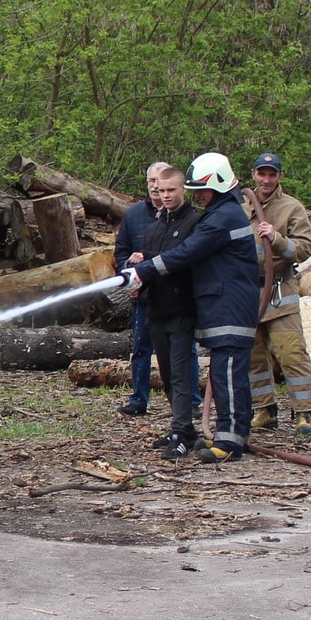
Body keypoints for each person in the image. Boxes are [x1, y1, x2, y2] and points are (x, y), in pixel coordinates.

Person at [120, 152, 262, 463]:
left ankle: (229, 442)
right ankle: (232, 434)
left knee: (227, 373)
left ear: (219, 184)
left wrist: (143, 271)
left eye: (201, 189)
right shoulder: (221, 212)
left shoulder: (222, 217)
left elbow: (187, 252)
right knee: (225, 373)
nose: (197, 195)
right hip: (222, 305)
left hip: (229, 306)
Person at [128, 164, 202, 458]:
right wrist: (137, 285)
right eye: (161, 190)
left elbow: (182, 262)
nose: (166, 195)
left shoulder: (195, 224)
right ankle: (182, 428)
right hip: (155, 311)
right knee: (169, 375)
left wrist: (147, 266)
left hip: (182, 310)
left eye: (172, 190)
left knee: (182, 374)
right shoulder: (153, 229)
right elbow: (149, 269)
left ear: (183, 190)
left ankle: (182, 432)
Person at [245, 153, 311, 434]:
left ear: (279, 177)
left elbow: (305, 248)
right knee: (253, 356)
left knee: (291, 353)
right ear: (253, 174)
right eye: (262, 174)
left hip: (279, 293)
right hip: (249, 292)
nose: (266, 180)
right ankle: (264, 411)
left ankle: (304, 415)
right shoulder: (242, 207)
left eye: (272, 174)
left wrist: (276, 239)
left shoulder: (292, 208)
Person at [110, 168, 161, 417]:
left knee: (181, 351)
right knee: (141, 349)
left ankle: (191, 403)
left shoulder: (184, 216)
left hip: (173, 297)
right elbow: (121, 252)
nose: (155, 186)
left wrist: (147, 259)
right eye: (151, 180)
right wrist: (128, 276)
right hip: (141, 297)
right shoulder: (133, 215)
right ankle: (139, 400)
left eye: (160, 181)